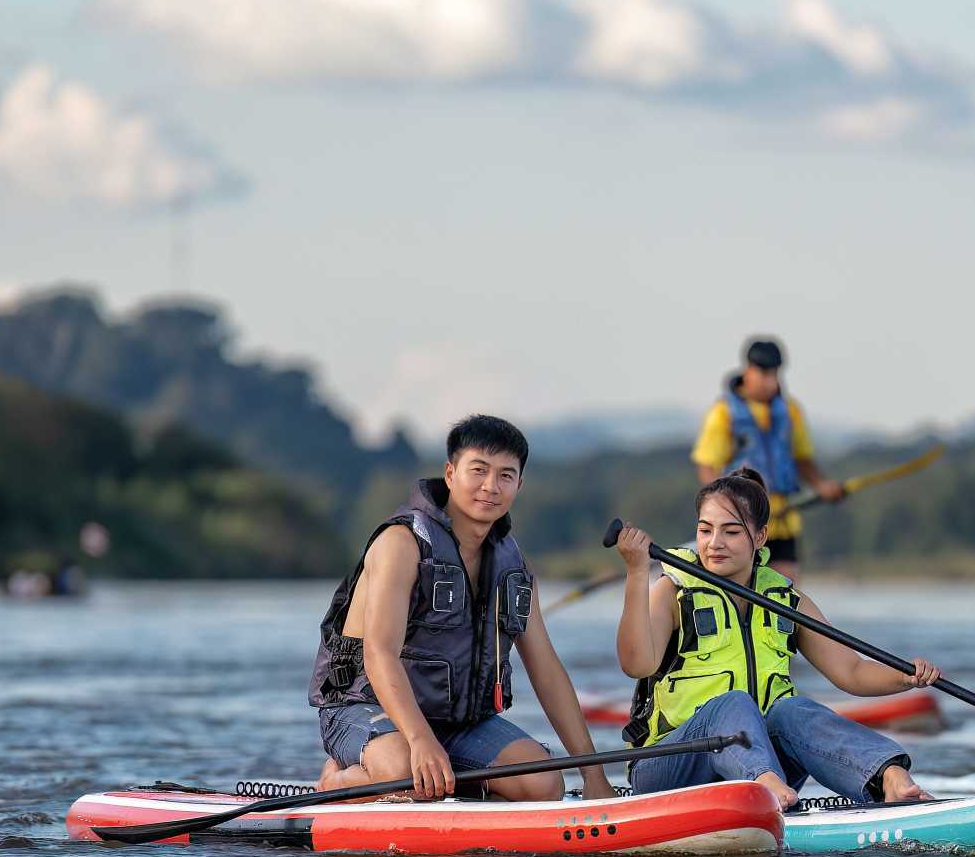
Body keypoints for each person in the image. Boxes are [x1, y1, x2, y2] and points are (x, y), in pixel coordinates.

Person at [310, 414, 613, 802]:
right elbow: (379, 653)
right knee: (404, 774)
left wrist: (593, 774)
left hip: (456, 722)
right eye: (479, 470)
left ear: (519, 485)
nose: (490, 487)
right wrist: (420, 740)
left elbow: (548, 671)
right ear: (451, 473)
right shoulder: (401, 544)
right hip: (361, 706)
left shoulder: (513, 565)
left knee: (543, 784)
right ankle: (339, 781)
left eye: (505, 475)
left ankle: (443, 780)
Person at [610, 468, 939, 811]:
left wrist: (906, 677)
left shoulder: (783, 597)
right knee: (734, 703)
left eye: (731, 532)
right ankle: (764, 786)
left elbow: (851, 671)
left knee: (792, 709)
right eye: (705, 530)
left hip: (761, 768)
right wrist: (636, 573)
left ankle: (887, 777)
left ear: (761, 536)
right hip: (669, 767)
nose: (714, 543)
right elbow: (636, 663)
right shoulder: (672, 590)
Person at [690, 335, 844, 582]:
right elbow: (707, 466)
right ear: (748, 371)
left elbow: (803, 459)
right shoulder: (724, 413)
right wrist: (723, 509)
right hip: (743, 519)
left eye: (774, 374)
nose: (769, 381)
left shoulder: (790, 411)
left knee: (785, 589)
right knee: (744, 587)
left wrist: (822, 486)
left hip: (782, 518)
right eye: (763, 373)